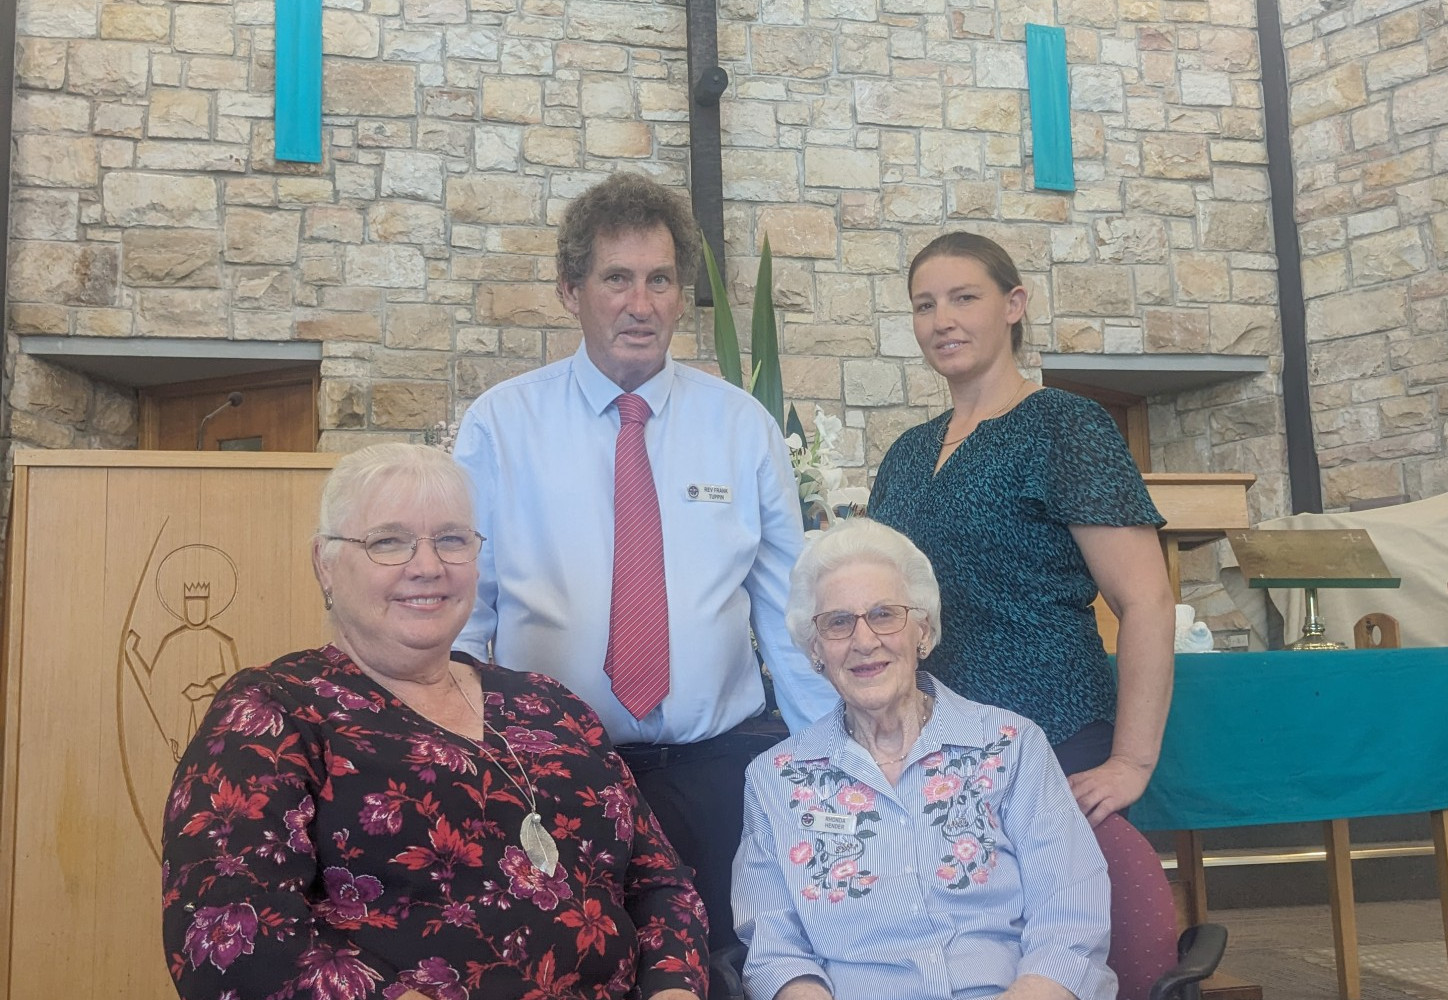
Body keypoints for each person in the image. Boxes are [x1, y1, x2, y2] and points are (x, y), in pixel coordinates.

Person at [161, 444, 708, 1000]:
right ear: (325, 563)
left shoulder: (552, 706)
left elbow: (660, 882)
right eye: (388, 542)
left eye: (451, 539)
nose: (427, 566)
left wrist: (673, 989)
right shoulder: (273, 712)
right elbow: (223, 935)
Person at [453, 172, 838, 949]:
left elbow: (791, 615)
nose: (641, 304)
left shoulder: (741, 426)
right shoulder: (502, 425)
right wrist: (461, 763)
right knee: (572, 971)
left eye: (660, 279)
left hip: (717, 769)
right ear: (571, 291)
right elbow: (467, 611)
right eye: (617, 279)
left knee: (725, 966)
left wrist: (830, 765)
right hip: (555, 777)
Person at [868, 231, 1177, 997]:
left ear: (1013, 304)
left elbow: (1146, 599)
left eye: (964, 297)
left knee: (1053, 952)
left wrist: (1131, 761)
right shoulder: (906, 455)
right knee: (966, 952)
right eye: (925, 304)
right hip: (937, 746)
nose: (943, 319)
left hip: (1052, 735)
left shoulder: (1065, 427)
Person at [732, 519, 1115, 1000]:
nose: (864, 640)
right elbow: (775, 951)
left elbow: (1070, 916)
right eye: (838, 622)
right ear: (815, 651)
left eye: (884, 614)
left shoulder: (1012, 746)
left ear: (923, 631)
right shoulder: (774, 780)